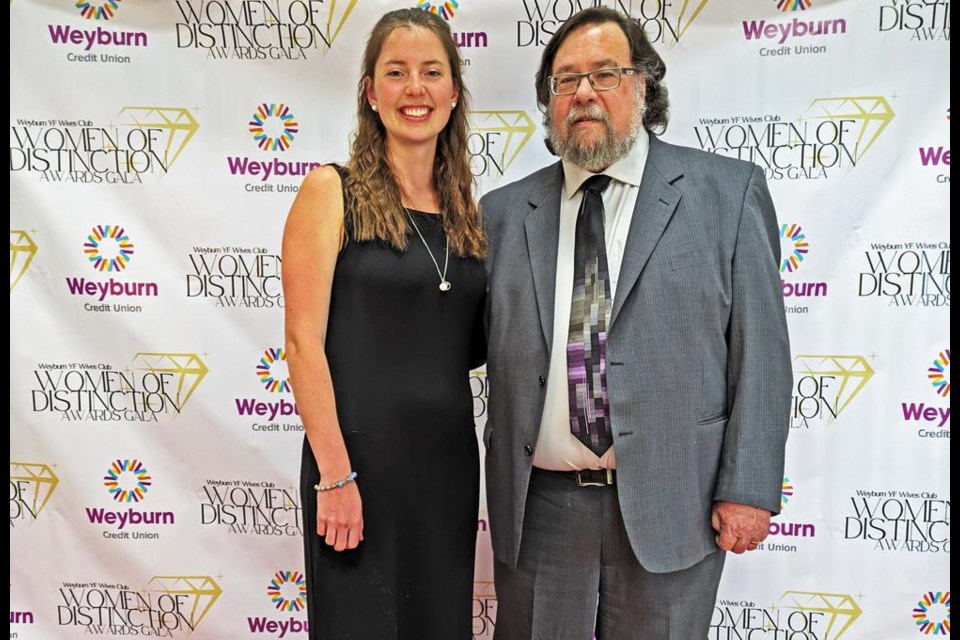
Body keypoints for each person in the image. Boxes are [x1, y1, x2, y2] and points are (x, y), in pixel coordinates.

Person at [480, 7, 792, 639]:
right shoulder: (504, 214)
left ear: (643, 85)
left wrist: (749, 488)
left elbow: (761, 354)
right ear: (549, 101)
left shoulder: (726, 195)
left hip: (675, 508)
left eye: (605, 73)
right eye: (565, 81)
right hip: (541, 514)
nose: (584, 92)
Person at [281, 8, 487, 639]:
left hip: (447, 474)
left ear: (454, 92)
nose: (414, 89)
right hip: (355, 471)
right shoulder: (330, 192)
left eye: (431, 72)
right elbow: (301, 345)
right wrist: (336, 475)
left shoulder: (470, 219)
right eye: (395, 73)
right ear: (371, 92)